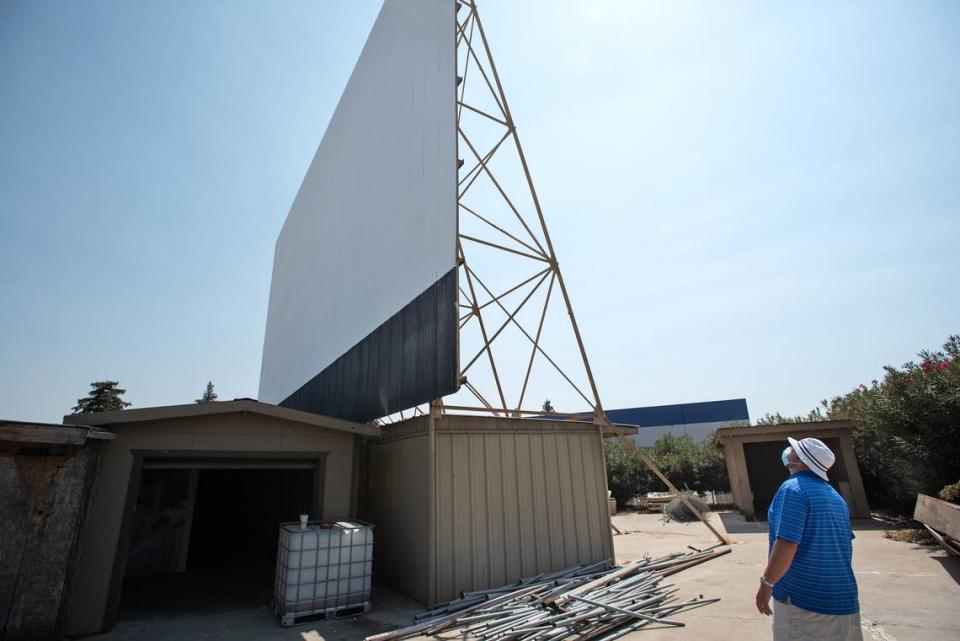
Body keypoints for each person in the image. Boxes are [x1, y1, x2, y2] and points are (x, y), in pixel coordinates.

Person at [755, 437, 861, 641]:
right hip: (844, 601)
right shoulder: (835, 497)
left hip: (804, 603)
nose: (788, 452)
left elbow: (787, 544)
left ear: (800, 459)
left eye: (792, 450)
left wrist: (767, 584)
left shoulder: (793, 489)